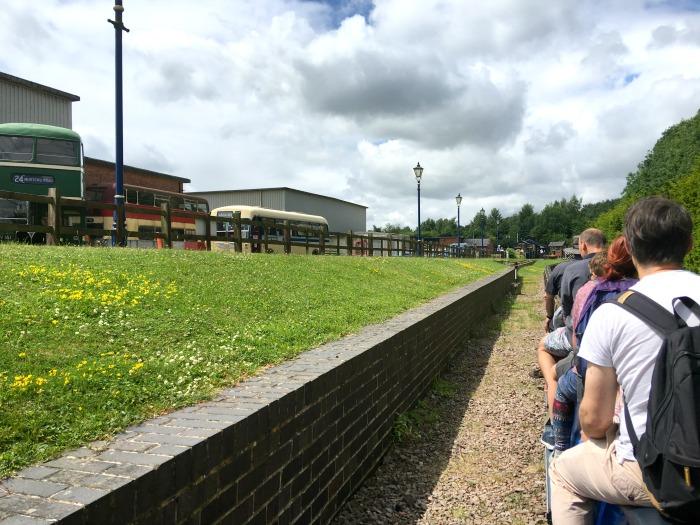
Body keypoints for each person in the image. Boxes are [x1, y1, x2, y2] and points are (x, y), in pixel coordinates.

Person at [550, 197, 700, 524]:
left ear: (629, 247)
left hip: (660, 474)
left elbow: (594, 420)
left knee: (562, 471)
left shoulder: (614, 314)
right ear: (689, 244)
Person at [551, 240, 637, 453]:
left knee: (562, 387)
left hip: (591, 369)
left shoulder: (591, 291)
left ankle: (559, 446)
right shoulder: (649, 291)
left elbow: (576, 339)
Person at [537, 228, 606, 418]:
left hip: (578, 336)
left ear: (582, 245)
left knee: (543, 345)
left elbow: (568, 312)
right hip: (612, 335)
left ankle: (553, 406)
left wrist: (549, 317)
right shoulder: (617, 265)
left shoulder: (570, 269)